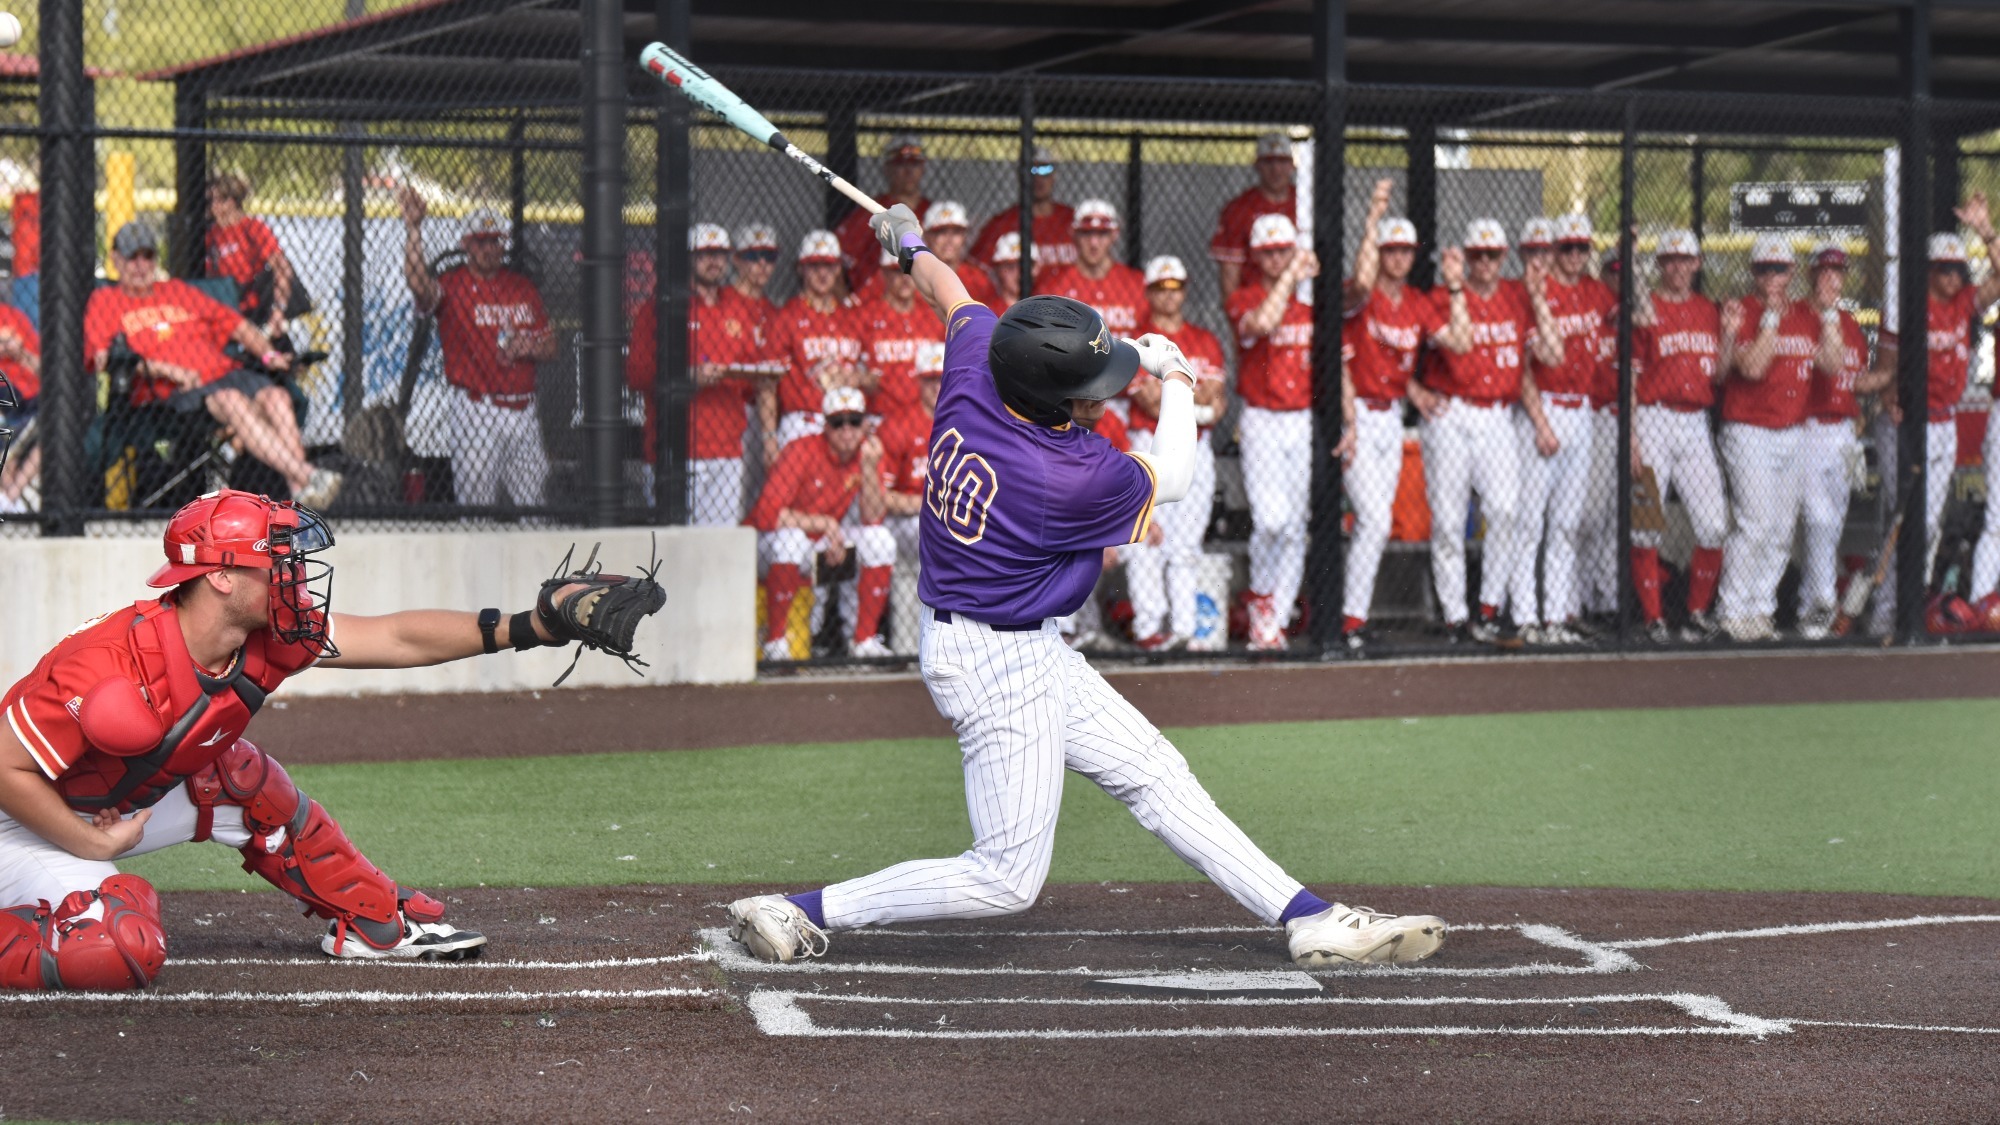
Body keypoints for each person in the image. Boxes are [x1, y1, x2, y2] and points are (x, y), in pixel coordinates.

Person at [723, 202, 1446, 970]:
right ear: (1049, 397)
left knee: (1156, 772)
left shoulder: (976, 369)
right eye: (1089, 390)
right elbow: (1174, 473)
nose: (1101, 398)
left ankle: (1308, 916)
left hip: (1011, 641)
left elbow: (948, 288)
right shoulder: (1058, 473)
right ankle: (794, 909)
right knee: (1005, 878)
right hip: (998, 663)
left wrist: (906, 243)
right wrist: (1175, 377)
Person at [0, 488, 661, 989]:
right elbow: (4, 766)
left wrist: (530, 624)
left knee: (238, 777)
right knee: (119, 944)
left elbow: (394, 635)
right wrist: (88, 841)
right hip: (22, 823)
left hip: (109, 806)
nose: (292, 571)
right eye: (275, 559)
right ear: (221, 576)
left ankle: (373, 925)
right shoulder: (112, 662)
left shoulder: (262, 636)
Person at [86, 222, 340, 510]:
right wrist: (164, 369)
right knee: (231, 401)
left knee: (277, 397)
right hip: (175, 392)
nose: (141, 265)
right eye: (133, 257)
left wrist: (269, 356)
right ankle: (308, 475)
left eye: (148, 256)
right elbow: (101, 358)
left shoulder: (177, 290)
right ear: (117, 260)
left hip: (224, 370)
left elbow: (237, 326)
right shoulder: (105, 300)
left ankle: (299, 494)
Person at [1335, 186, 1458, 653]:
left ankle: (1353, 618)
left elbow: (1457, 345)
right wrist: (1373, 217)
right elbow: (1362, 283)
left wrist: (1417, 391)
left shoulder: (1416, 302)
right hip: (1359, 413)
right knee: (1372, 517)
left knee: (1377, 521)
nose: (1400, 257)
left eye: (1406, 249)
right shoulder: (1362, 297)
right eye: (1392, 249)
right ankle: (1348, 619)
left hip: (1391, 418)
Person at [1714, 235, 1844, 641]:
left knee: (1782, 530)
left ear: (1792, 274)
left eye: (1780, 269)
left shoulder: (1807, 315)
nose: (1772, 276)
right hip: (1748, 429)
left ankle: (1760, 610)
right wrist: (1770, 317)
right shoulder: (1742, 310)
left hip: (1792, 431)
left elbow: (1834, 363)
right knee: (1755, 523)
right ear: (1753, 273)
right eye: (1764, 269)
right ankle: (1732, 610)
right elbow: (1752, 367)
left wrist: (1829, 313)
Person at [1415, 219, 1538, 643]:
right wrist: (1455, 288)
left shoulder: (1516, 298)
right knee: (1448, 521)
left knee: (1505, 511)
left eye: (1492, 255)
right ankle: (1454, 616)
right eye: (1477, 255)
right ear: (1465, 258)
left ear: (1504, 258)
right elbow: (1458, 344)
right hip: (1451, 413)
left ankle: (1487, 607)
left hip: (1498, 416)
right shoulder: (1441, 296)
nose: (1484, 262)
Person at [398, 189, 557, 510]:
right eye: (481, 241)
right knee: (476, 510)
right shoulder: (453, 284)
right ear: (466, 244)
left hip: (524, 410)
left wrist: (531, 346)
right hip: (476, 409)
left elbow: (552, 346)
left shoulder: (521, 286)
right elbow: (418, 284)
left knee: (536, 510)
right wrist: (414, 229)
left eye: (495, 241)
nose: (489, 249)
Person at [625, 223, 777, 525]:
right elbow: (637, 374)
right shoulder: (659, 307)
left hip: (728, 447)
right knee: (675, 547)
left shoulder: (737, 307)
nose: (714, 261)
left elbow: (755, 366)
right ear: (688, 259)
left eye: (720, 254)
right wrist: (688, 377)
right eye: (705, 254)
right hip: (676, 448)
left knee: (718, 546)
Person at [1512, 213, 1614, 646]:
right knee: (1530, 521)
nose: (1574, 256)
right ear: (1551, 249)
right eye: (1565, 247)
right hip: (1546, 409)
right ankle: (1525, 615)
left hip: (1583, 413)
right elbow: (1527, 370)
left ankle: (1555, 616)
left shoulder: (1595, 291)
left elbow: (1643, 316)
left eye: (1581, 248)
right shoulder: (1532, 292)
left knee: (1567, 523)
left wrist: (1629, 250)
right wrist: (1539, 422)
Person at [1124, 256, 1228, 650]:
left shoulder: (1204, 339)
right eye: (1161, 288)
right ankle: (1149, 628)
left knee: (1186, 543)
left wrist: (1180, 395)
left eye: (1176, 287)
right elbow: (1152, 403)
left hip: (1196, 448)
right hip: (1149, 443)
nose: (1169, 295)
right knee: (1146, 536)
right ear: (1148, 293)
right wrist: (1193, 397)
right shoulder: (1138, 341)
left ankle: (1184, 629)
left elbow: (1217, 402)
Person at [1629, 229, 1727, 643]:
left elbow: (1720, 376)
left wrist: (1734, 335)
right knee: (1646, 526)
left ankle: (1696, 612)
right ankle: (1653, 618)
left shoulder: (1710, 311)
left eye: (1685, 259)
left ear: (1697, 262)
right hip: (1652, 418)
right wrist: (1632, 436)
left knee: (1713, 524)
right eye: (1670, 259)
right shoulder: (1645, 309)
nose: (1678, 267)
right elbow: (1630, 380)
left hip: (1695, 424)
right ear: (1659, 265)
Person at [1232, 212, 1324, 651]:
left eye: (1283, 251)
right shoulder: (1244, 296)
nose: (1276, 259)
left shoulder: (1310, 306)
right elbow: (1264, 323)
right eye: (1269, 252)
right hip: (1262, 418)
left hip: (1300, 419)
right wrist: (1292, 274)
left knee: (1294, 526)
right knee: (1269, 519)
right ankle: (1262, 599)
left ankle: (1274, 618)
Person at [750, 387, 897, 661]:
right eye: (837, 422)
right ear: (825, 426)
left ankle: (863, 641)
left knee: (881, 539)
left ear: (865, 424)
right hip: (765, 548)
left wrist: (868, 468)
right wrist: (826, 524)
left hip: (819, 546)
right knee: (790, 541)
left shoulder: (868, 454)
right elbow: (766, 514)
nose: (847, 430)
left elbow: (873, 516)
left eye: (854, 421)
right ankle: (775, 642)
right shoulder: (801, 449)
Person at [1919, 199, 2000, 610]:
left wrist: (1985, 231)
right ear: (1930, 270)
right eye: (1944, 268)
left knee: (1932, 522)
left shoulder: (1964, 301)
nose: (1953, 276)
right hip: (1916, 423)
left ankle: (1919, 599)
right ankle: (1903, 603)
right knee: (1921, 520)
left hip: (1946, 420)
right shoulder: (1915, 305)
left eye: (1958, 269)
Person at [1792, 243, 1870, 640]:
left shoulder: (1851, 323)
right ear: (1811, 275)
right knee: (1818, 518)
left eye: (1837, 272)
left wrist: (1891, 384)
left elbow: (1855, 380)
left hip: (1843, 431)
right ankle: (1821, 602)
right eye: (1824, 271)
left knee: (1832, 522)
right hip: (1807, 427)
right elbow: (1827, 365)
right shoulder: (1798, 317)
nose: (1831, 278)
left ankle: (1811, 605)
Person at [760, 230, 872, 460]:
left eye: (829, 266)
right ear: (801, 269)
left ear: (839, 269)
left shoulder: (853, 318)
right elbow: (767, 383)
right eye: (815, 266)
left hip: (846, 425)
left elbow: (876, 377)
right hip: (803, 422)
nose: (823, 273)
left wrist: (857, 378)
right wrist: (769, 437)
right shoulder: (786, 316)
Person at [1035, 199, 1149, 398]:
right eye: (1086, 233)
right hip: (1072, 392)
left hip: (1129, 396)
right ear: (1073, 234)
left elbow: (1150, 339)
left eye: (1102, 234)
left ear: (1115, 234)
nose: (1094, 243)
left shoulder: (1137, 284)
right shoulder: (1053, 285)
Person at [876, 341, 946, 654]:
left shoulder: (969, 422)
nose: (936, 386)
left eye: (941, 377)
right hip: (904, 519)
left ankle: (935, 643)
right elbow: (880, 497)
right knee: (922, 533)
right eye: (929, 379)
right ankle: (908, 645)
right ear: (918, 380)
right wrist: (922, 506)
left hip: (949, 518)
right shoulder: (898, 425)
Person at [834, 133, 930, 298]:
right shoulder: (870, 210)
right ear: (887, 169)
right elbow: (834, 259)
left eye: (914, 164)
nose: (908, 171)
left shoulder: (932, 213)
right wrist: (846, 307)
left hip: (924, 306)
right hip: (872, 303)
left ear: (923, 168)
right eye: (900, 164)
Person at [204, 173, 297, 340]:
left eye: (216, 200)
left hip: (253, 312)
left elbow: (282, 268)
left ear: (231, 202)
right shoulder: (210, 235)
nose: (212, 206)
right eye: (210, 201)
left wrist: (278, 309)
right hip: (222, 312)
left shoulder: (252, 228)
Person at [1210, 133, 1297, 301]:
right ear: (1257, 165)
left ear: (1292, 165)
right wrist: (1237, 314)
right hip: (1254, 304)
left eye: (1282, 161)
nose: (1276, 169)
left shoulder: (1306, 204)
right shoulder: (1238, 209)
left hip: (1301, 303)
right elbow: (1230, 272)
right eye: (1269, 162)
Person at [859, 246, 943, 420]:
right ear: (883, 274)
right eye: (897, 271)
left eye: (909, 271)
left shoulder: (932, 316)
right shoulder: (866, 316)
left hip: (928, 416)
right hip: (881, 415)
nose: (905, 279)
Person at [969, 144, 1076, 276]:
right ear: (1020, 175)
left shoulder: (1073, 221)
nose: (1038, 178)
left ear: (1054, 175)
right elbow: (977, 271)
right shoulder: (1001, 225)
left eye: (1045, 170)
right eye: (1031, 170)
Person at [924, 201, 999, 311]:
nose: (949, 240)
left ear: (964, 237)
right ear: (927, 236)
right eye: (941, 232)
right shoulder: (916, 276)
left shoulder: (977, 279)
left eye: (956, 232)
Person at [0, 298, 38, 512]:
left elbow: (42, 369)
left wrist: (19, 352)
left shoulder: (14, 316)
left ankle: (9, 498)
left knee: (54, 423)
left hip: (30, 397)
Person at [987, 231, 1034, 314]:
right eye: (1011, 267)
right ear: (998, 270)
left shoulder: (1041, 309)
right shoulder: (991, 312)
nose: (1019, 272)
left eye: (1025, 266)